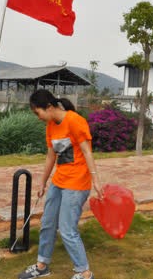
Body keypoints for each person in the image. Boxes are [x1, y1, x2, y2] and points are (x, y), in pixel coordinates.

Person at [17, 89, 103, 279]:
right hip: (59, 181)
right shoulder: (50, 125)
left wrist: (95, 179)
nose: (38, 117)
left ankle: (84, 272)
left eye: (37, 112)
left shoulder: (75, 121)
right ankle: (42, 265)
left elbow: (87, 152)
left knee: (67, 228)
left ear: (48, 107)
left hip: (77, 182)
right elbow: (50, 157)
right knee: (47, 223)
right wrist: (42, 182)